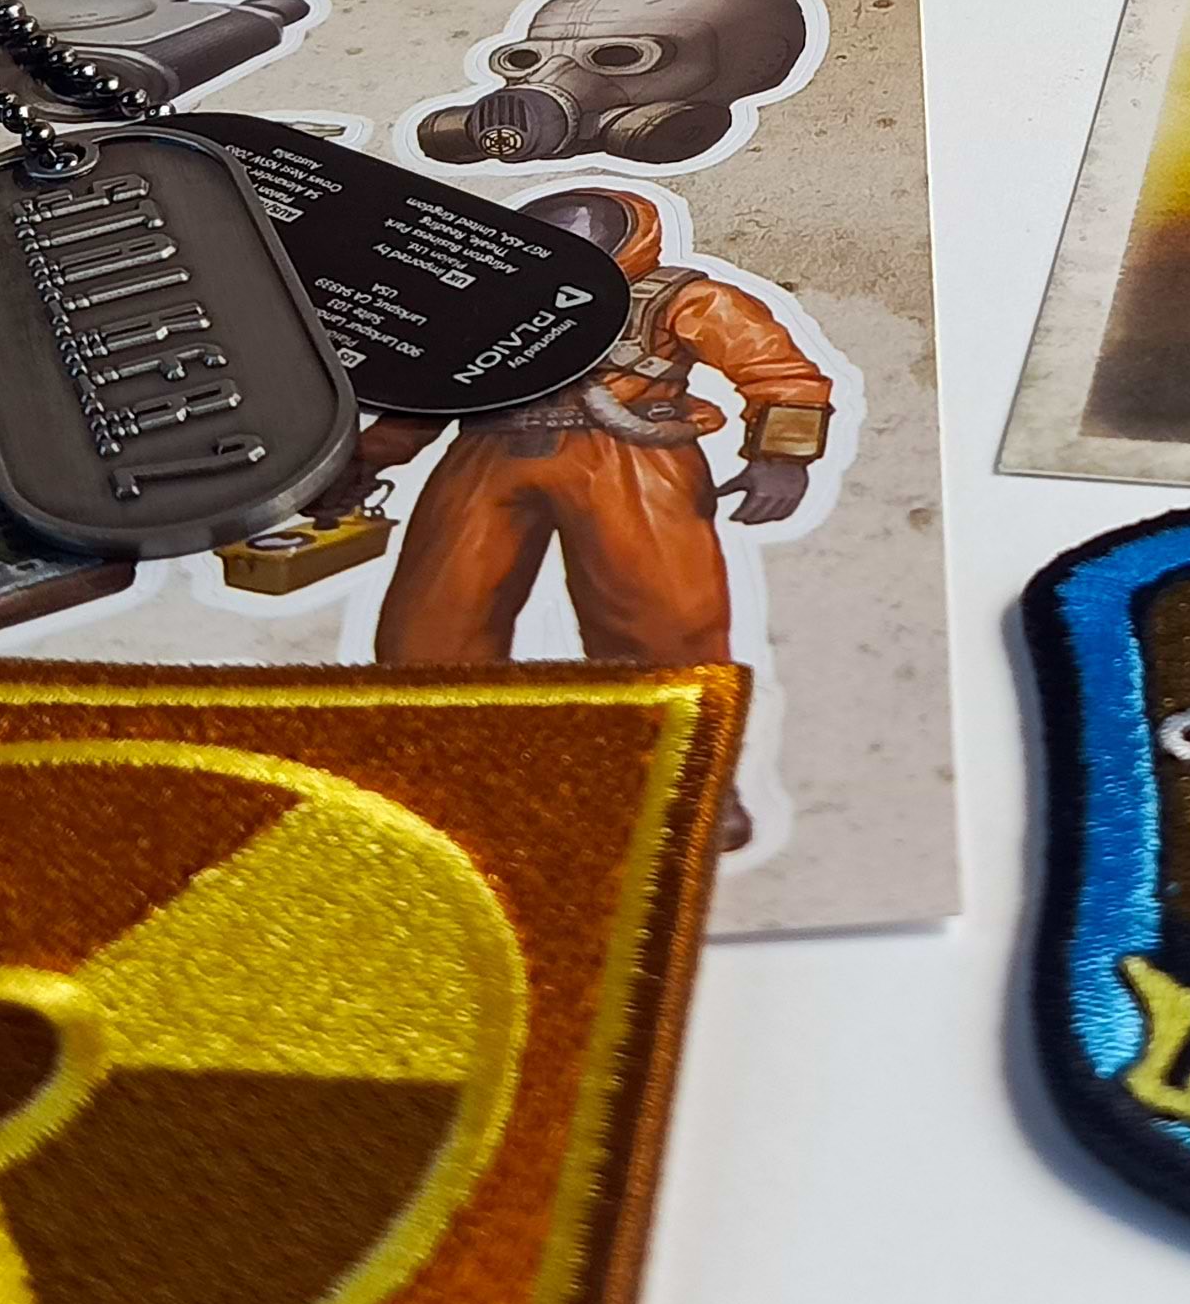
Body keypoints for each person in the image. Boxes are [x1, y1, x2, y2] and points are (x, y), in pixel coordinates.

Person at [347, 189, 832, 843]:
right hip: (492, 451)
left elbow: (777, 370)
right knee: (435, 618)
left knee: (664, 622)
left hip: (633, 459)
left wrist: (782, 456)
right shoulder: (489, 300)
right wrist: (366, 460)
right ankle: (437, 766)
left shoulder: (680, 299)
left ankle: (692, 781)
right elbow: (432, 392)